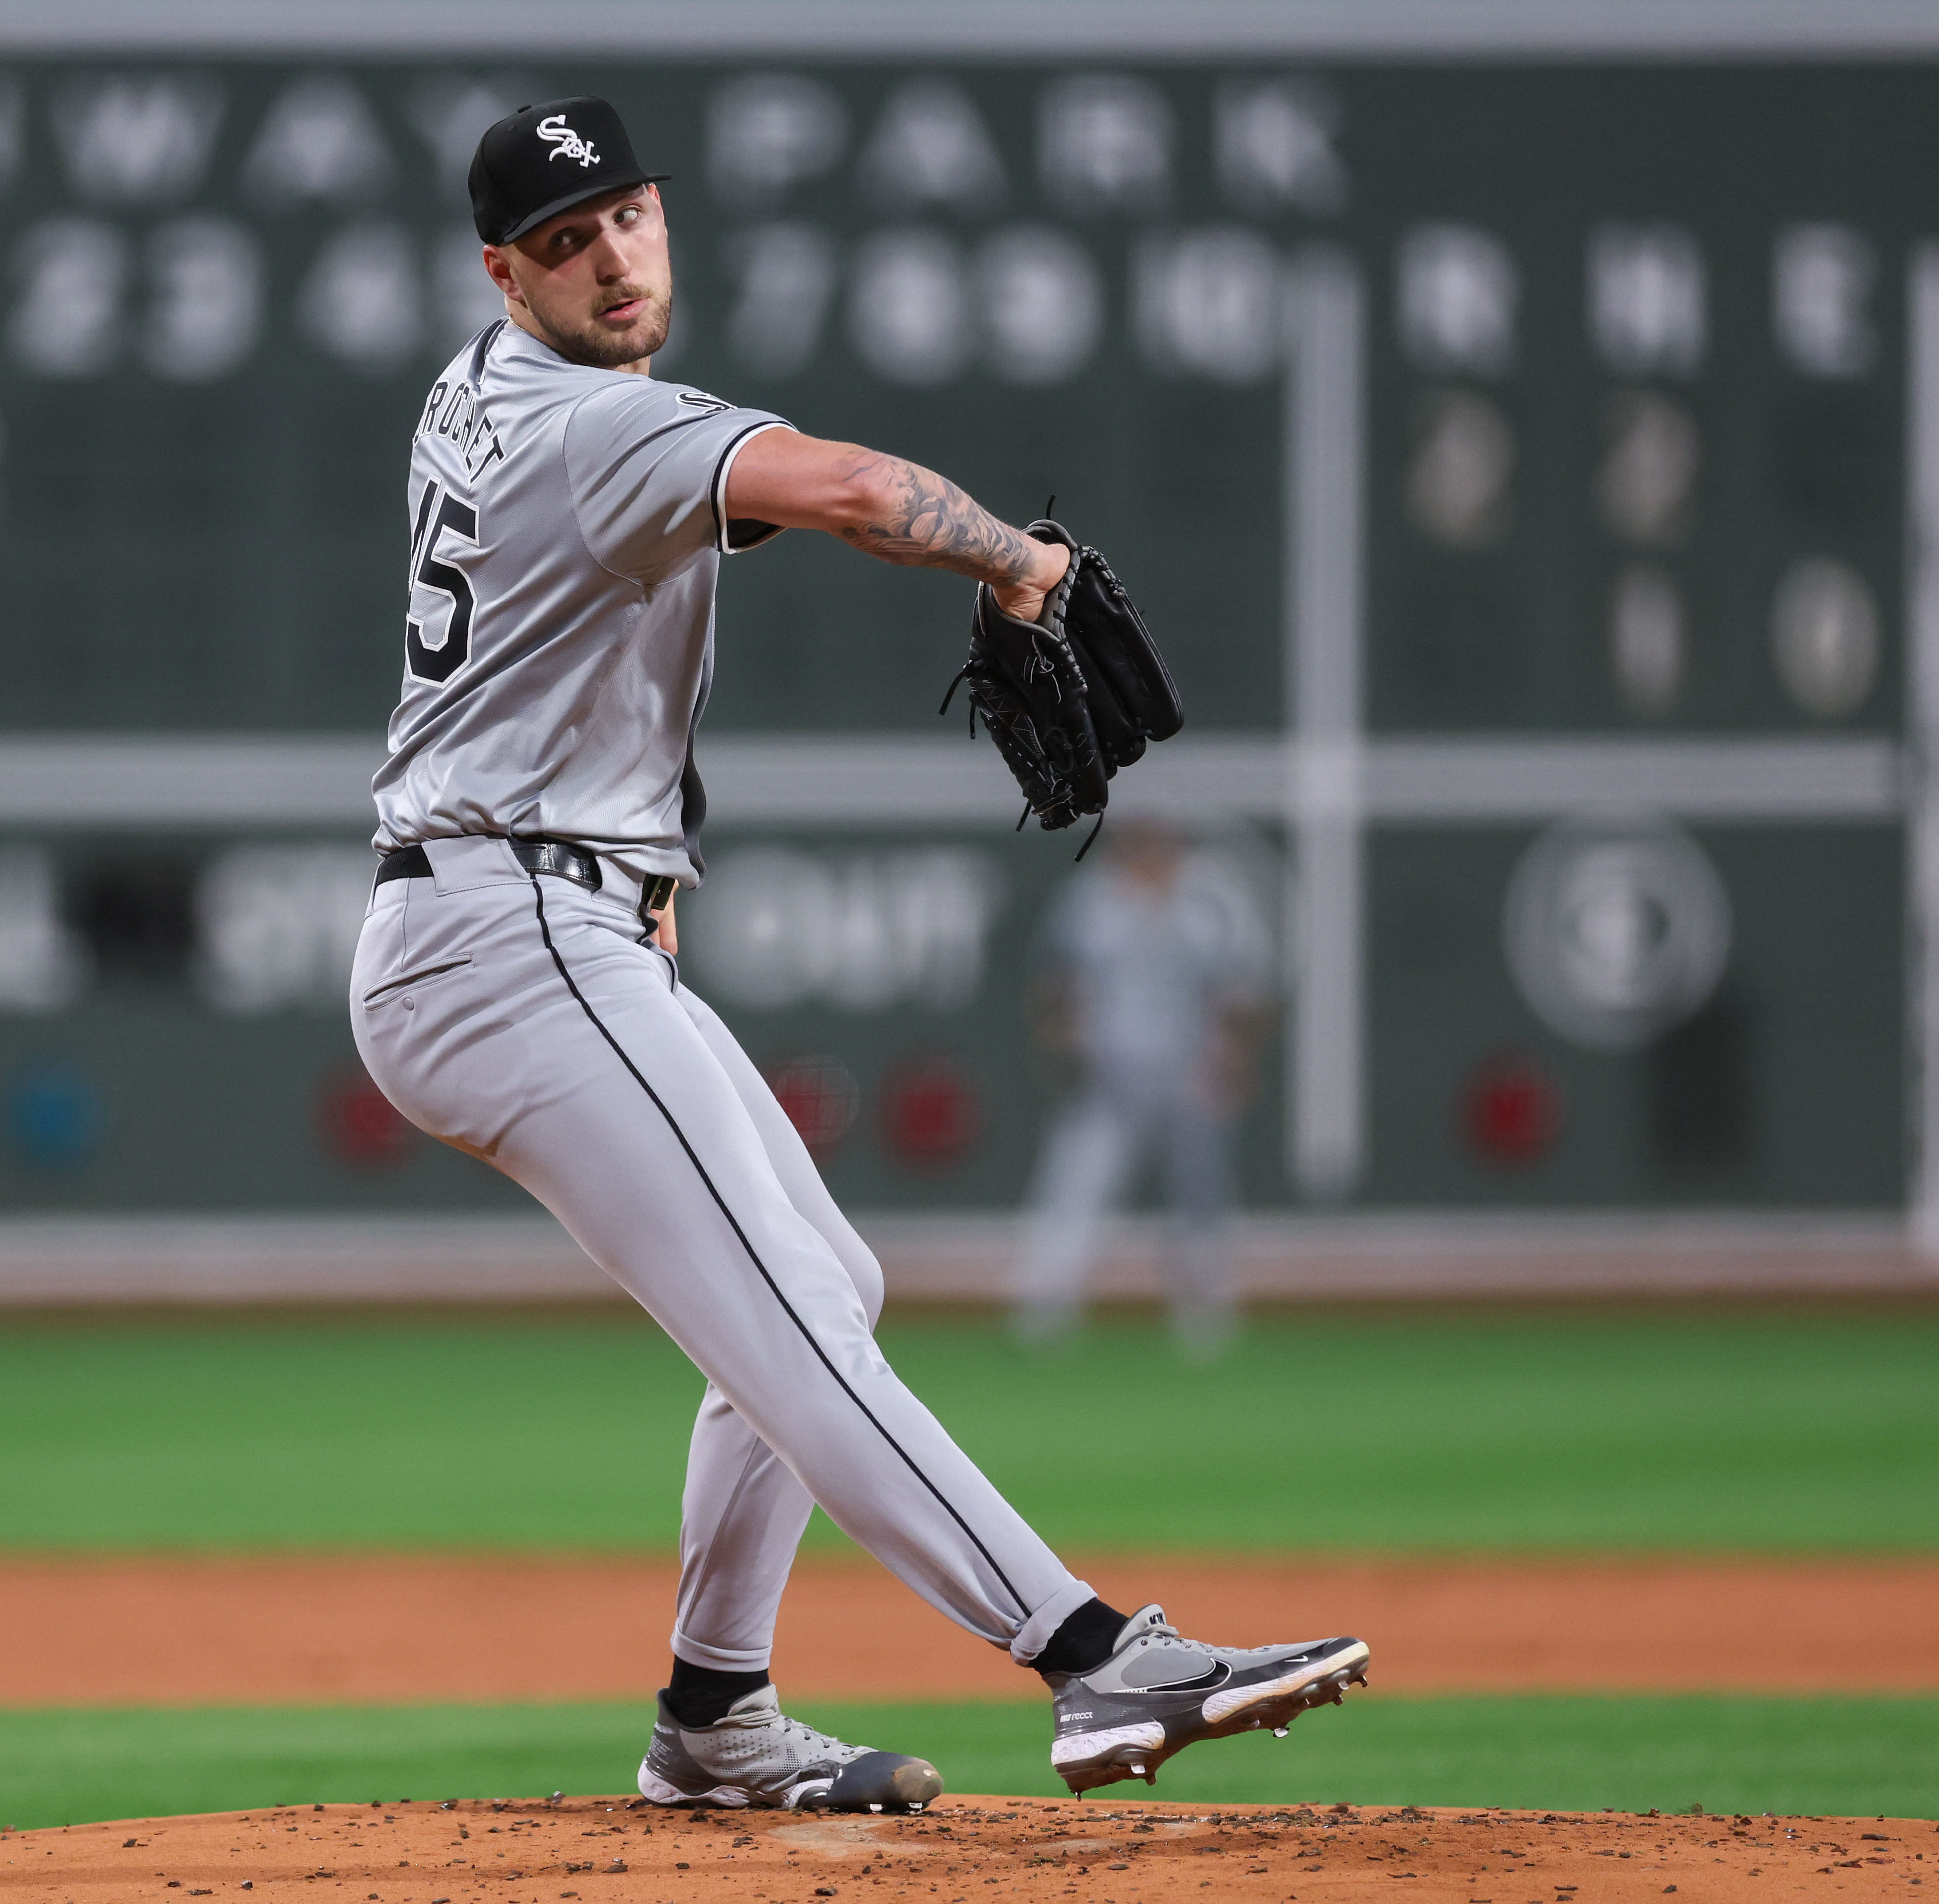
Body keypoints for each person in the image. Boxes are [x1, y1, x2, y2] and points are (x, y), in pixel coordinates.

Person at [350, 97, 1366, 1801]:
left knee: (825, 1290)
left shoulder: (480, 391)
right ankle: (1095, 1656)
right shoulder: (593, 427)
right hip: (508, 931)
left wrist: (640, 837)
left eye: (628, 218)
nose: (610, 256)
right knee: (802, 1326)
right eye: (563, 240)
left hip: (520, 911)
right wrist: (1022, 558)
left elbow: (589, 630)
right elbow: (850, 488)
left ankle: (713, 1719)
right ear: (502, 273)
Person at [1013, 820, 1273, 1358]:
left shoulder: (1206, 903)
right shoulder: (1091, 903)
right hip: (1111, 1073)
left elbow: (1238, 990)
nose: (1152, 851)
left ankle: (1205, 1308)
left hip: (1186, 1072)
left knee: (1201, 1193)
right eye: (1140, 840)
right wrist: (1061, 1046)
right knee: (1077, 1182)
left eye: (1161, 840)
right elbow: (1057, 982)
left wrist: (1233, 1060)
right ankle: (1044, 1303)